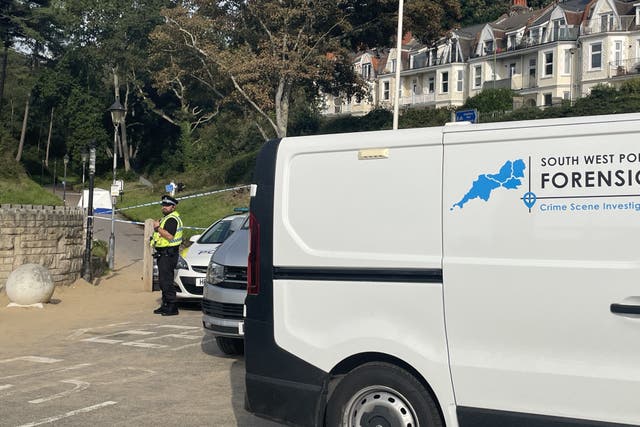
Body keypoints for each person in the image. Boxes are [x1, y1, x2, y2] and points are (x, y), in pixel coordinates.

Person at [151, 195, 183, 316]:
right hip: (164, 254)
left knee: (166, 281)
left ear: (173, 207)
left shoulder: (172, 219)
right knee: (163, 281)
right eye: (163, 205)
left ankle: (172, 306)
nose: (164, 207)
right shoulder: (167, 218)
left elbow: (169, 236)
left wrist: (157, 228)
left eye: (167, 205)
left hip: (168, 254)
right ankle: (165, 304)